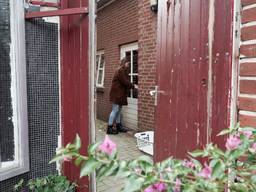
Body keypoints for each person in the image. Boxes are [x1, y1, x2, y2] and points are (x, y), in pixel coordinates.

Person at [107, 57, 138, 134]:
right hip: (116, 94)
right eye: (127, 63)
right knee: (115, 110)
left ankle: (118, 126)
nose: (128, 65)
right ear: (124, 63)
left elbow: (125, 82)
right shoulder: (120, 70)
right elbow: (125, 82)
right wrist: (134, 86)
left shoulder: (123, 70)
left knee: (119, 111)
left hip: (120, 94)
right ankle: (109, 128)